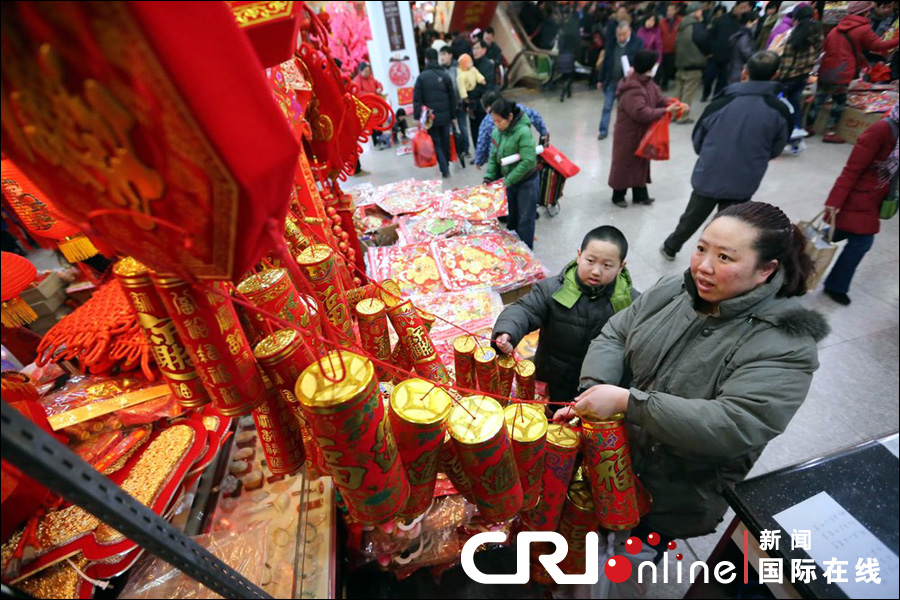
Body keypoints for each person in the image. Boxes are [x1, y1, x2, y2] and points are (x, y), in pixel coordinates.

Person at [560, 201, 829, 545]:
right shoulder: (675, 291)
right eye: (701, 249)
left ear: (765, 270)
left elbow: (737, 422)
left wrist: (632, 404)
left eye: (725, 258)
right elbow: (616, 333)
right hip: (615, 457)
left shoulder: (785, 343)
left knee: (629, 560)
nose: (704, 266)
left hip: (673, 491)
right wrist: (597, 391)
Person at [661, 51, 791, 260]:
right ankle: (715, 259)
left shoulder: (721, 103)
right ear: (775, 75)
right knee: (730, 224)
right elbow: (777, 148)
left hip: (710, 172)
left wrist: (710, 156)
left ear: (744, 72)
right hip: (745, 178)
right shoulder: (780, 111)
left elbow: (698, 139)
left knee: (692, 216)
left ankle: (671, 246)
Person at [492, 226, 636, 404]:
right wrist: (507, 331)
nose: (596, 271)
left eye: (607, 265)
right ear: (579, 255)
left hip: (597, 388)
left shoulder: (631, 304)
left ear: (621, 266)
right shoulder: (552, 289)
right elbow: (525, 309)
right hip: (553, 376)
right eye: (590, 261)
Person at [822, 104, 899, 305]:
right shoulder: (882, 129)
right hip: (858, 195)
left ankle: (792, 257)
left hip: (875, 196)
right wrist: (835, 201)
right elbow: (853, 168)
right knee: (861, 241)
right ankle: (835, 286)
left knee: (836, 234)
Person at [808, 0, 899, 143]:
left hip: (827, 69)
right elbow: (879, 46)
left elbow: (829, 47)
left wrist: (860, 59)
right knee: (839, 102)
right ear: (865, 12)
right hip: (843, 71)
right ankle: (830, 132)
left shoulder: (837, 27)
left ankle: (808, 126)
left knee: (819, 99)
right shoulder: (863, 29)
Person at [608, 51, 684, 208]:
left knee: (641, 163)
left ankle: (640, 195)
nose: (656, 66)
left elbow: (658, 99)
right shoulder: (633, 89)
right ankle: (618, 196)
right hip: (628, 136)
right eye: (654, 64)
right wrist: (666, 111)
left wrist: (672, 103)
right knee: (624, 164)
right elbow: (641, 113)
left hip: (642, 134)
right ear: (647, 67)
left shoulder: (648, 82)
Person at [482, 98, 539, 249]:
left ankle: (526, 252)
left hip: (527, 181)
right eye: (494, 121)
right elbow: (494, 157)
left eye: (499, 121)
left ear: (510, 117)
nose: (496, 124)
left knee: (525, 219)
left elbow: (528, 161)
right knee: (511, 216)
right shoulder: (497, 133)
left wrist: (508, 180)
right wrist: (488, 176)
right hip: (509, 180)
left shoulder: (523, 132)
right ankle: (513, 249)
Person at [775, 5, 823, 142]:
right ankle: (796, 131)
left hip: (790, 77)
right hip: (803, 75)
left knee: (781, 104)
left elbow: (788, 60)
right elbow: (817, 52)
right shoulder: (817, 31)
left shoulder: (797, 33)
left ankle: (780, 133)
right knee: (795, 104)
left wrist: (780, 77)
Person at [413, 48, 458, 179]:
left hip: (430, 117)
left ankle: (444, 168)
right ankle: (446, 166)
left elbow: (417, 99)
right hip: (446, 116)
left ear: (426, 59)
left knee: (436, 141)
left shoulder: (421, 78)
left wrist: (416, 117)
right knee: (445, 140)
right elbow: (452, 97)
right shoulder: (445, 75)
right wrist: (453, 115)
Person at [474, 91, 549, 168]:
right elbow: (535, 116)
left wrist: (479, 161)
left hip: (501, 161)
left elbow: (482, 142)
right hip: (522, 155)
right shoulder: (518, 109)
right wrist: (543, 132)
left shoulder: (487, 120)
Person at [597, 21, 644, 140]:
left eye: (623, 34)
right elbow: (606, 63)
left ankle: (622, 130)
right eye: (619, 35)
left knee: (625, 109)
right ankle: (603, 131)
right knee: (607, 107)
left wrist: (636, 68)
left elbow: (641, 60)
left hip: (627, 83)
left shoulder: (637, 43)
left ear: (629, 32)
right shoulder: (611, 43)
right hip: (611, 81)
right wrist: (600, 79)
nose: (621, 37)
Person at [673, 1, 710, 125]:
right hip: (693, 64)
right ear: (696, 12)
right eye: (700, 10)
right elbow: (705, 43)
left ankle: (673, 114)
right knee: (687, 94)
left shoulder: (681, 25)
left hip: (680, 63)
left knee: (678, 91)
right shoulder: (696, 27)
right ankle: (682, 117)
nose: (702, 12)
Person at [707, 1, 751, 99]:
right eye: (741, 7)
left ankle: (718, 101)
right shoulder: (723, 19)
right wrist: (711, 50)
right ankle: (709, 96)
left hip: (732, 60)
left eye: (746, 8)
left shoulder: (744, 24)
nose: (742, 11)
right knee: (710, 78)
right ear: (735, 6)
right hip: (716, 56)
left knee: (724, 84)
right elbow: (711, 35)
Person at [439, 47, 469, 157]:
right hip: (448, 105)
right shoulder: (440, 70)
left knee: (463, 127)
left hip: (460, 103)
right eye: (440, 55)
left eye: (444, 54)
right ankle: (455, 150)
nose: (442, 57)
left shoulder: (458, 67)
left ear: (450, 55)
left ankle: (466, 150)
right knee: (450, 130)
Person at [468, 39, 497, 137]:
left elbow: (486, 85)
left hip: (483, 105)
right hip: (472, 106)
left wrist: (471, 93)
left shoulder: (487, 65)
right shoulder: (470, 65)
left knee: (485, 133)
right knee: (475, 133)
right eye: (473, 48)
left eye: (477, 48)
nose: (474, 51)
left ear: (484, 50)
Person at [729, 11, 760, 83]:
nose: (755, 26)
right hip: (739, 71)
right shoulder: (745, 37)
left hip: (735, 68)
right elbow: (747, 53)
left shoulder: (741, 33)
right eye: (754, 23)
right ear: (749, 22)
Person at [556, 10, 581, 102]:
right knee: (570, 74)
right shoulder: (574, 26)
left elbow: (559, 42)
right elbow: (577, 40)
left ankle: (568, 92)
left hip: (562, 53)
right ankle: (564, 92)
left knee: (564, 74)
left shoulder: (562, 27)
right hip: (570, 53)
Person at [659, 3, 683, 90]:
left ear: (675, 11)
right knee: (661, 68)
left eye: (671, 10)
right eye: (668, 10)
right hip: (662, 49)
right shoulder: (662, 22)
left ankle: (665, 83)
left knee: (669, 68)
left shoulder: (680, 21)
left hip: (673, 49)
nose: (668, 12)